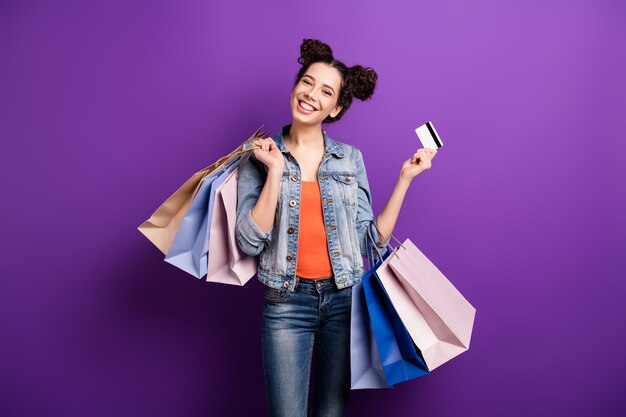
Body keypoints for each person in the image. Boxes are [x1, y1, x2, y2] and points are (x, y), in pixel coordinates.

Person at [235, 39, 437, 417]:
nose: (311, 95)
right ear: (295, 86)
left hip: (343, 300)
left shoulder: (350, 159)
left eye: (326, 91)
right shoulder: (260, 155)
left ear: (336, 108)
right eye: (307, 83)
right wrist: (276, 170)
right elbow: (248, 242)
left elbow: (370, 240)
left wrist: (405, 179)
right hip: (285, 303)